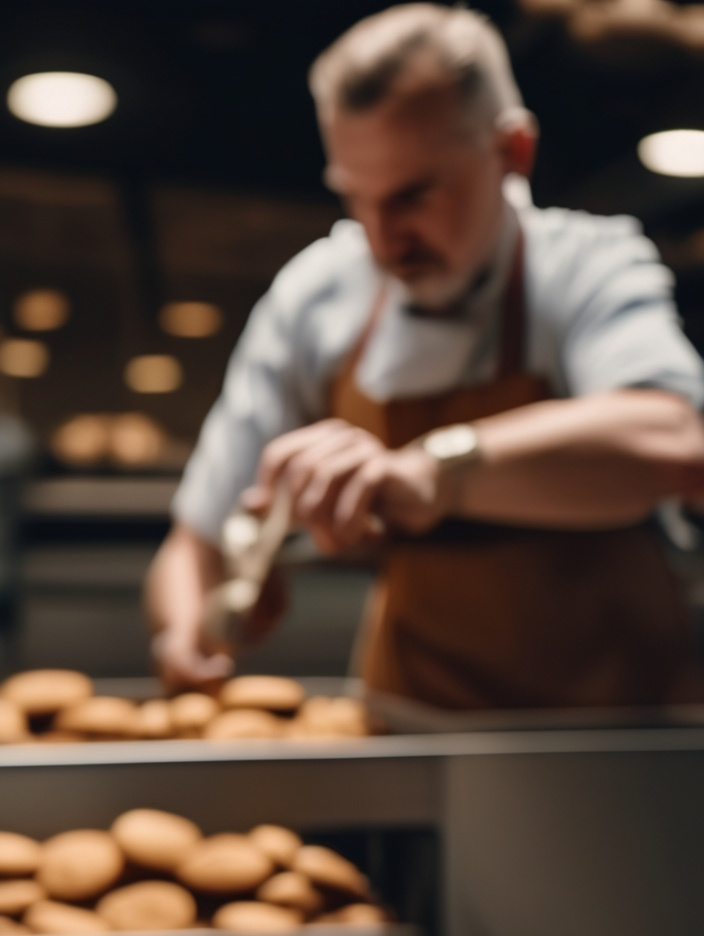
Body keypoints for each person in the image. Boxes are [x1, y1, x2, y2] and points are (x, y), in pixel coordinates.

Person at [147, 3, 704, 710]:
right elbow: (194, 543)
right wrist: (191, 629)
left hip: (615, 742)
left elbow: (674, 442)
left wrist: (427, 472)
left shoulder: (589, 265)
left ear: (513, 153)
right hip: (414, 728)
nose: (384, 240)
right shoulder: (317, 295)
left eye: (413, 195)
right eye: (357, 199)